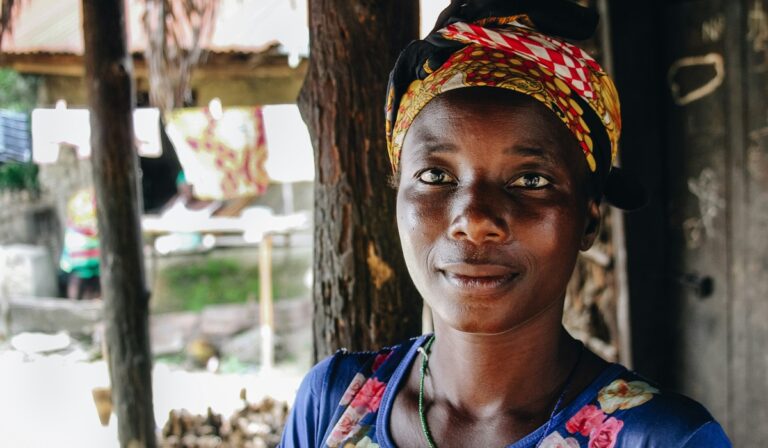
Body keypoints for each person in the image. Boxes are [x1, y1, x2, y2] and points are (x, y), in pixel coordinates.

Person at [280, 1, 732, 447]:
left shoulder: (662, 439)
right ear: (398, 198)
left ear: (589, 219)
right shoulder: (332, 403)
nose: (475, 221)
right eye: (435, 176)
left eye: (530, 180)